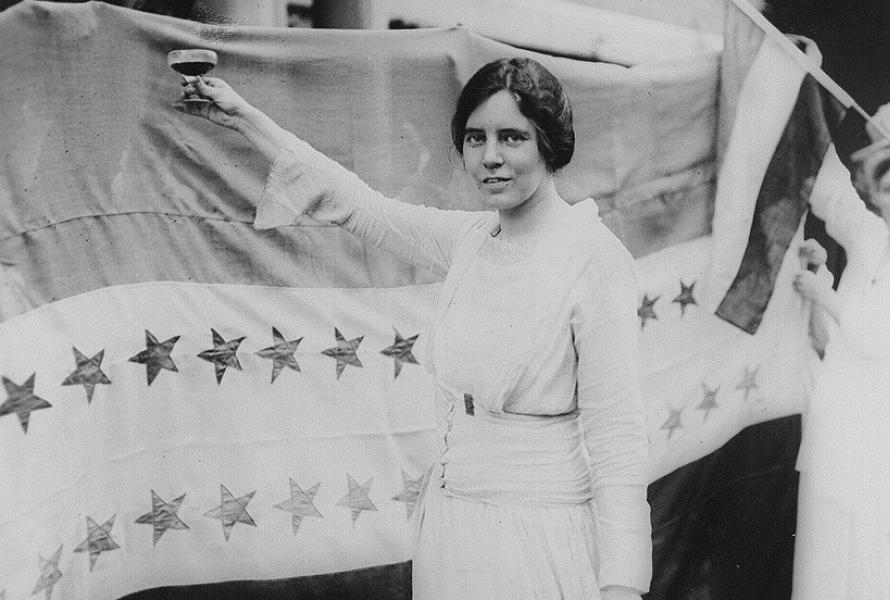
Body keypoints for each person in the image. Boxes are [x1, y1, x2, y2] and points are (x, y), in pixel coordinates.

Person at [176, 57, 652, 600]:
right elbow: (361, 207)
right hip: (453, 534)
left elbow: (617, 440)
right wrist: (244, 119)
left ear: (550, 145)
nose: (490, 157)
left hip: (540, 541)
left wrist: (622, 586)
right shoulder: (471, 240)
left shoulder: (594, 261)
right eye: (475, 139)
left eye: (512, 137)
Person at [791, 98, 890, 599]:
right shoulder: (872, 237)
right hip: (838, 431)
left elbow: (882, 344)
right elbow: (827, 189)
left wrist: (827, 299)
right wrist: (798, 92)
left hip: (883, 446)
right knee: (825, 559)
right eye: (889, 183)